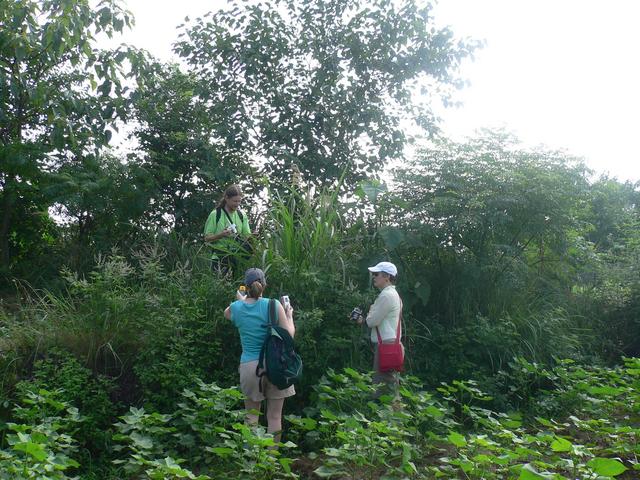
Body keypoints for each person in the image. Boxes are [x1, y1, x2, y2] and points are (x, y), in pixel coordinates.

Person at [224, 268, 295, 442]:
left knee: (251, 417)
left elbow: (228, 313)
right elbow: (289, 336)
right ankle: (271, 461)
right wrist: (289, 316)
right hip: (275, 365)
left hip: (250, 367)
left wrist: (240, 299)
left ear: (246, 287)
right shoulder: (274, 305)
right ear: (264, 285)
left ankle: (251, 461)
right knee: (274, 417)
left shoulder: (236, 308)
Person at [356, 261, 403, 398]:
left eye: (376, 274)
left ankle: (390, 417)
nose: (374, 277)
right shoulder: (394, 294)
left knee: (381, 390)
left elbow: (372, 321)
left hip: (386, 347)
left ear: (387, 277)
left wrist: (369, 313)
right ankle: (396, 416)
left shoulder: (386, 295)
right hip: (392, 345)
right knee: (391, 387)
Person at [203, 185, 252, 274]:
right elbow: (207, 238)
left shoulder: (242, 215)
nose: (237, 204)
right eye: (234, 201)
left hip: (238, 258)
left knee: (239, 287)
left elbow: (246, 235)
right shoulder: (215, 214)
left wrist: (252, 237)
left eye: (239, 201)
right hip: (219, 258)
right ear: (226, 198)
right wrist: (221, 235)